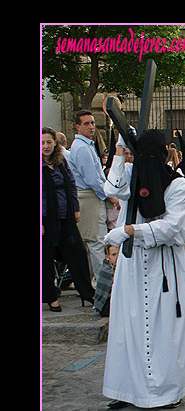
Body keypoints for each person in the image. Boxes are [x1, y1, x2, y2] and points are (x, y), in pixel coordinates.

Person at [101, 129, 185, 410]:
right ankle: (128, 388)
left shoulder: (177, 185)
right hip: (133, 268)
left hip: (162, 266)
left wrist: (130, 230)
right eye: (138, 156)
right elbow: (111, 187)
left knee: (164, 328)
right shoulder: (133, 180)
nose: (142, 162)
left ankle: (168, 389)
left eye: (147, 156)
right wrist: (121, 149)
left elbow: (171, 227)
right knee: (129, 324)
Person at [42, 127, 96, 311]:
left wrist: (75, 208)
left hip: (65, 216)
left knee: (78, 253)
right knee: (46, 258)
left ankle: (87, 292)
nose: (46, 146)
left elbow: (71, 184)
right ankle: (51, 298)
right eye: (42, 143)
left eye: (49, 142)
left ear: (55, 143)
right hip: (45, 218)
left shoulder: (60, 161)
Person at [68, 110, 120, 282]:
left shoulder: (86, 145)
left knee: (94, 242)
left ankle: (94, 281)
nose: (91, 126)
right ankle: (100, 282)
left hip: (91, 195)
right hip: (89, 196)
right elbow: (92, 179)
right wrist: (109, 195)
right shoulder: (82, 147)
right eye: (86, 124)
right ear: (77, 127)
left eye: (92, 123)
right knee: (96, 242)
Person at [93, 244, 119, 317]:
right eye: (114, 255)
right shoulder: (106, 271)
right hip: (105, 306)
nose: (117, 257)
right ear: (107, 257)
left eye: (119, 254)